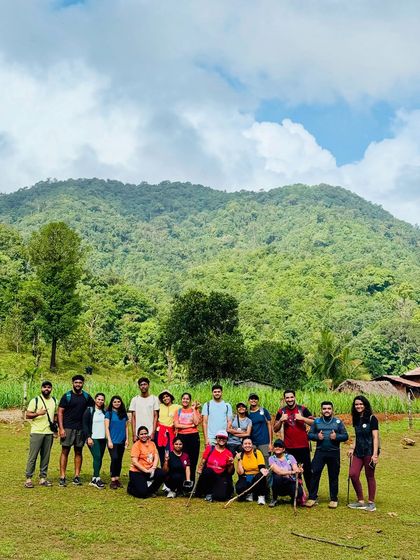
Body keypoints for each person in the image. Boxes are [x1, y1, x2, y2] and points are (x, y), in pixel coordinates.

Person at [306, 401, 348, 508]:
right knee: (315, 474)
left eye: (329, 408)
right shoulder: (317, 422)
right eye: (324, 409)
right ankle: (312, 497)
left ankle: (334, 499)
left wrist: (336, 437)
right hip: (320, 452)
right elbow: (310, 435)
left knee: (333, 476)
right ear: (321, 410)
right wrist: (317, 437)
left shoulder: (338, 422)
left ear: (332, 410)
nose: (327, 411)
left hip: (334, 453)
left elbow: (345, 436)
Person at [273, 389, 313, 491]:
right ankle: (298, 493)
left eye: (291, 397)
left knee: (307, 471)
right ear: (284, 399)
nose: (290, 399)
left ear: (295, 397)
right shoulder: (281, 411)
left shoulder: (303, 409)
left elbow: (314, 422)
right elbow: (275, 429)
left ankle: (313, 495)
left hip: (303, 446)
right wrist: (281, 420)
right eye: (287, 397)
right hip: (289, 448)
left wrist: (302, 418)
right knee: (293, 471)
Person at [58, 374, 94, 487]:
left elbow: (95, 407)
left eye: (80, 382)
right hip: (68, 427)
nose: (78, 384)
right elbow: (60, 412)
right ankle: (62, 476)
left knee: (78, 451)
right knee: (65, 451)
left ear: (83, 384)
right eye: (76, 382)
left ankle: (77, 476)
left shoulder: (87, 397)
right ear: (72, 383)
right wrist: (61, 428)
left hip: (81, 428)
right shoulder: (67, 396)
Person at [348, 395, 380, 512]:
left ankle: (371, 502)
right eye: (356, 404)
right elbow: (357, 436)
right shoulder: (356, 419)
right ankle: (360, 501)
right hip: (358, 452)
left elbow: (375, 437)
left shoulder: (372, 418)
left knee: (369, 475)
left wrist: (375, 454)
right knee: (353, 474)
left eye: (361, 404)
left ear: (365, 405)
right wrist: (352, 448)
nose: (359, 406)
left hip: (369, 452)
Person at [24, 380, 57, 488]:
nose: (46, 389)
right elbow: (27, 415)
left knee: (45, 456)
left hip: (48, 433)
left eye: (49, 387)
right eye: (44, 387)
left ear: (51, 389)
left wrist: (55, 430)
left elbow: (55, 416)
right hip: (37, 432)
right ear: (41, 388)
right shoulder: (35, 400)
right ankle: (28, 478)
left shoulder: (54, 401)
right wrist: (38, 413)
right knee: (33, 456)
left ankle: (43, 478)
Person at [195, 430, 234, 502]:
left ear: (226, 440)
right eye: (219, 437)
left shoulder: (229, 453)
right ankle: (208, 492)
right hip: (208, 475)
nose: (221, 439)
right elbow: (203, 461)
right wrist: (199, 469)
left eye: (224, 438)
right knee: (208, 471)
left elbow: (229, 472)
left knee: (221, 497)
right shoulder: (210, 448)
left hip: (220, 475)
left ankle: (214, 492)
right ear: (216, 438)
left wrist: (231, 464)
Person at [127, 426, 165, 499]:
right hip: (137, 472)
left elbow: (156, 456)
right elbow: (135, 462)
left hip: (150, 469)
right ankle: (130, 487)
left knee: (162, 473)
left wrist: (153, 468)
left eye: (145, 433)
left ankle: (151, 491)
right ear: (138, 435)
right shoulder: (136, 445)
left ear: (148, 434)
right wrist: (146, 471)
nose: (144, 435)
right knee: (142, 494)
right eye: (141, 434)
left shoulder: (152, 444)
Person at [173, 392, 201, 481]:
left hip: (193, 437)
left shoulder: (194, 410)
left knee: (193, 460)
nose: (185, 400)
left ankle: (191, 482)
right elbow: (177, 425)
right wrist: (190, 426)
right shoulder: (178, 411)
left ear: (190, 400)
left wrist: (194, 409)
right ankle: (182, 481)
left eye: (187, 399)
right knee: (182, 459)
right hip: (182, 437)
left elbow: (196, 423)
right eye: (184, 398)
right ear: (181, 400)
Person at [268, 439, 304, 507]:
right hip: (279, 483)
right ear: (273, 449)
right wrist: (291, 472)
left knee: (299, 493)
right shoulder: (271, 458)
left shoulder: (290, 457)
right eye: (276, 446)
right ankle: (274, 499)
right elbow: (278, 472)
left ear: (284, 449)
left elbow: (295, 468)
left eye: (280, 446)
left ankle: (294, 498)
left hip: (290, 481)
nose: (277, 448)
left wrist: (299, 470)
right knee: (277, 477)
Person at [82, 392, 107, 489]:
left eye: (102, 399)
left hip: (103, 438)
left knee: (100, 458)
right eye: (98, 399)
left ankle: (94, 478)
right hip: (93, 438)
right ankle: (97, 478)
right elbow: (85, 424)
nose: (100, 401)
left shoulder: (104, 412)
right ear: (95, 400)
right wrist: (88, 437)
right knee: (97, 456)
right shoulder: (89, 410)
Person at [105, 395, 129, 489]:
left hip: (121, 440)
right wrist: (109, 440)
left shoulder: (123, 413)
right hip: (113, 441)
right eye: (115, 402)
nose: (117, 403)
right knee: (114, 458)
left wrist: (127, 439)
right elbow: (106, 427)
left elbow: (126, 427)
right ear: (112, 403)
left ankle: (117, 478)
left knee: (119, 460)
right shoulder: (109, 413)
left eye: (118, 402)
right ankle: (113, 479)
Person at [235, 437, 269, 505]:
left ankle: (261, 496)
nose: (247, 445)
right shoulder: (240, 455)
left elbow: (261, 467)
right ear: (242, 445)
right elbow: (240, 473)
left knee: (260, 476)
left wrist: (264, 471)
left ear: (252, 445)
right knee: (239, 488)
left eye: (249, 443)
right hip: (247, 477)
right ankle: (249, 493)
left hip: (256, 477)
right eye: (245, 444)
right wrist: (238, 460)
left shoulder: (257, 452)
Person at [129, 377, 159, 443]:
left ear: (148, 385)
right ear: (139, 387)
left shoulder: (154, 399)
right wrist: (134, 434)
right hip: (138, 434)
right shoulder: (135, 400)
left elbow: (155, 417)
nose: (143, 386)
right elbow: (133, 418)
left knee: (151, 452)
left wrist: (153, 433)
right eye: (141, 385)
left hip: (150, 433)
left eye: (145, 384)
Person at [247, 393, 272, 464]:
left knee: (266, 463)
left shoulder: (263, 411)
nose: (253, 400)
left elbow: (269, 426)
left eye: (255, 398)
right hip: (253, 443)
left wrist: (270, 443)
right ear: (249, 401)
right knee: (255, 463)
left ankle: (268, 476)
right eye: (251, 399)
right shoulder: (247, 413)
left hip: (264, 442)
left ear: (258, 400)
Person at [156, 389, 178, 467]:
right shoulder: (160, 406)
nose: (165, 398)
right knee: (161, 452)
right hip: (160, 432)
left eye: (167, 396)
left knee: (169, 452)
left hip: (170, 432)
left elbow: (186, 410)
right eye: (163, 397)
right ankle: (163, 472)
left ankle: (170, 472)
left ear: (171, 397)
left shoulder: (177, 407)